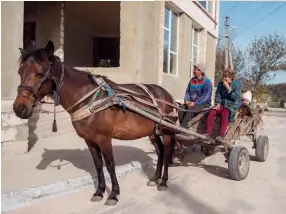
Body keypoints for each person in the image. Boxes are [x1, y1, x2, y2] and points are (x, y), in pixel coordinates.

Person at [205, 68, 242, 143]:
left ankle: (221, 135)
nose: (224, 78)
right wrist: (218, 103)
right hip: (222, 104)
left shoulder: (237, 84)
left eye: (226, 77)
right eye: (223, 76)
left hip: (231, 106)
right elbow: (218, 95)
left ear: (231, 77)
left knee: (225, 113)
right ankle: (208, 134)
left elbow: (236, 98)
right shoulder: (220, 84)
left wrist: (228, 88)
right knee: (212, 111)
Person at [178, 62, 213, 128]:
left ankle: (182, 128)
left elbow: (205, 96)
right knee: (180, 108)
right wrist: (187, 100)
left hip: (204, 104)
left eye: (195, 69)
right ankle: (184, 126)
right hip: (191, 103)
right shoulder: (192, 81)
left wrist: (195, 103)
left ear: (200, 71)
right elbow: (187, 92)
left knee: (191, 108)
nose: (193, 71)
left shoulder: (207, 82)